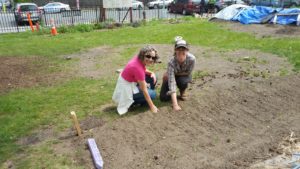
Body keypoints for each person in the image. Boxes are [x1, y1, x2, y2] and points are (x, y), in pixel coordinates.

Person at [112, 45, 159, 115]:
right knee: (153, 94)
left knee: (153, 76)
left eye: (153, 57)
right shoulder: (137, 69)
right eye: (148, 56)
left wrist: (151, 73)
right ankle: (132, 102)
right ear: (143, 55)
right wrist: (152, 107)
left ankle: (144, 100)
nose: (150, 59)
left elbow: (142, 69)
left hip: (129, 82)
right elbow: (144, 90)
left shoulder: (138, 59)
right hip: (126, 90)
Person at [160, 38, 196, 111]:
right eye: (179, 49)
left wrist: (174, 74)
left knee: (183, 81)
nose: (181, 51)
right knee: (163, 98)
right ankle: (174, 95)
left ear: (187, 50)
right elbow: (172, 83)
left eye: (183, 49)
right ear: (175, 50)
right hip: (172, 76)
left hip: (184, 75)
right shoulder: (171, 62)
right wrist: (175, 105)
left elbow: (188, 72)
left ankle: (183, 91)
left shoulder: (192, 59)